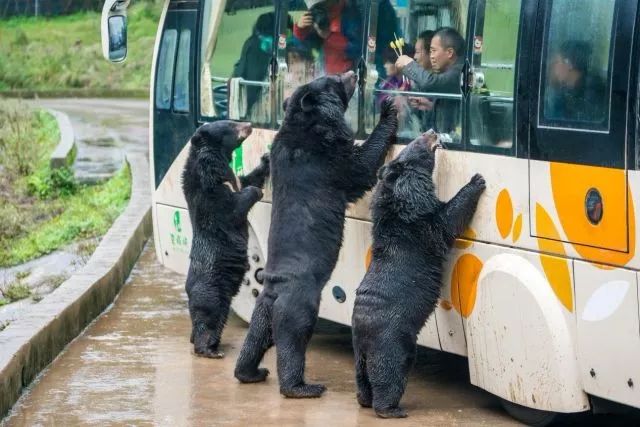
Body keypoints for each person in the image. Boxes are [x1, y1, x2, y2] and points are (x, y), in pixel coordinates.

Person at [396, 27, 465, 133]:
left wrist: (408, 64)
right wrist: (430, 106)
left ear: (450, 53)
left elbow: (430, 82)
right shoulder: (451, 72)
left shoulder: (460, 72)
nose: (431, 56)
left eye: (433, 51)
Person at [544, 40, 606, 123]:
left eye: (557, 62)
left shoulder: (591, 93)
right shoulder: (570, 89)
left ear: (569, 63)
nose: (554, 67)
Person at [293, 0, 362, 75]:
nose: (321, 7)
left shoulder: (350, 14)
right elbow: (308, 45)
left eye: (323, 4)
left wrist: (329, 36)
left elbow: (357, 49)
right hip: (324, 71)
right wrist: (300, 27)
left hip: (346, 74)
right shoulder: (319, 12)